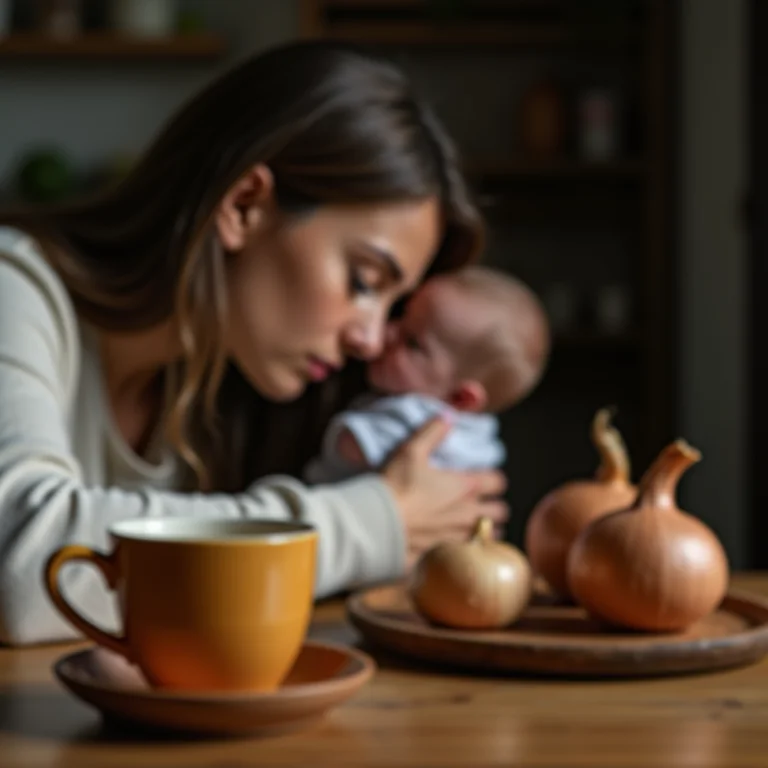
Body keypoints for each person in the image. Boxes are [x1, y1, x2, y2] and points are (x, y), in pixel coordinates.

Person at [0, 40, 508, 646]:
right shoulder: (16, 291)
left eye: (394, 308)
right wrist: (374, 521)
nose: (371, 340)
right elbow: (23, 569)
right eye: (363, 281)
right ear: (244, 206)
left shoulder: (214, 399)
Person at [304, 266, 550, 483]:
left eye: (412, 343)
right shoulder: (481, 433)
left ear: (461, 397)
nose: (387, 332)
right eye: (401, 316)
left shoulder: (412, 416)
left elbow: (349, 444)